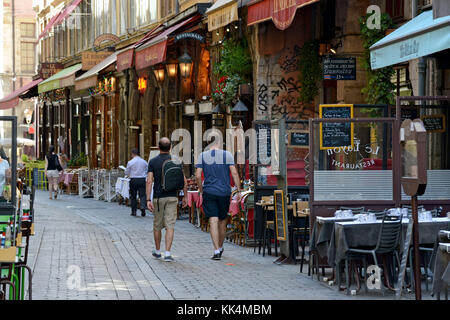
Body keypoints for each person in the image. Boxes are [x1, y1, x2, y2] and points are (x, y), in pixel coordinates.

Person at [195, 140, 242, 260]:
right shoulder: (227, 155)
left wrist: (201, 189)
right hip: (224, 192)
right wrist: (239, 190)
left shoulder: (202, 156)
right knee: (222, 220)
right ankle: (220, 247)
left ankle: (216, 250)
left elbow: (198, 175)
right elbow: (234, 173)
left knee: (213, 219)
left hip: (209, 191)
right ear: (219, 143)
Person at [146, 138, 187, 262]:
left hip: (158, 197)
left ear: (158, 148)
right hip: (172, 196)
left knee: (157, 225)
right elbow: (184, 181)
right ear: (170, 148)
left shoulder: (153, 162)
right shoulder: (175, 161)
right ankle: (168, 253)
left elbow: (149, 181)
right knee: (170, 225)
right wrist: (185, 196)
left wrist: (148, 199)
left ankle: (158, 251)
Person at [125, 148, 148, 217]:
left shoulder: (130, 162)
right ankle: (143, 207)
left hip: (134, 179)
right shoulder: (144, 161)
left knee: (133, 195)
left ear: (132, 154)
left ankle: (134, 211)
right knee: (142, 195)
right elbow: (147, 170)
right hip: (142, 179)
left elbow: (126, 172)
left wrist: (129, 173)